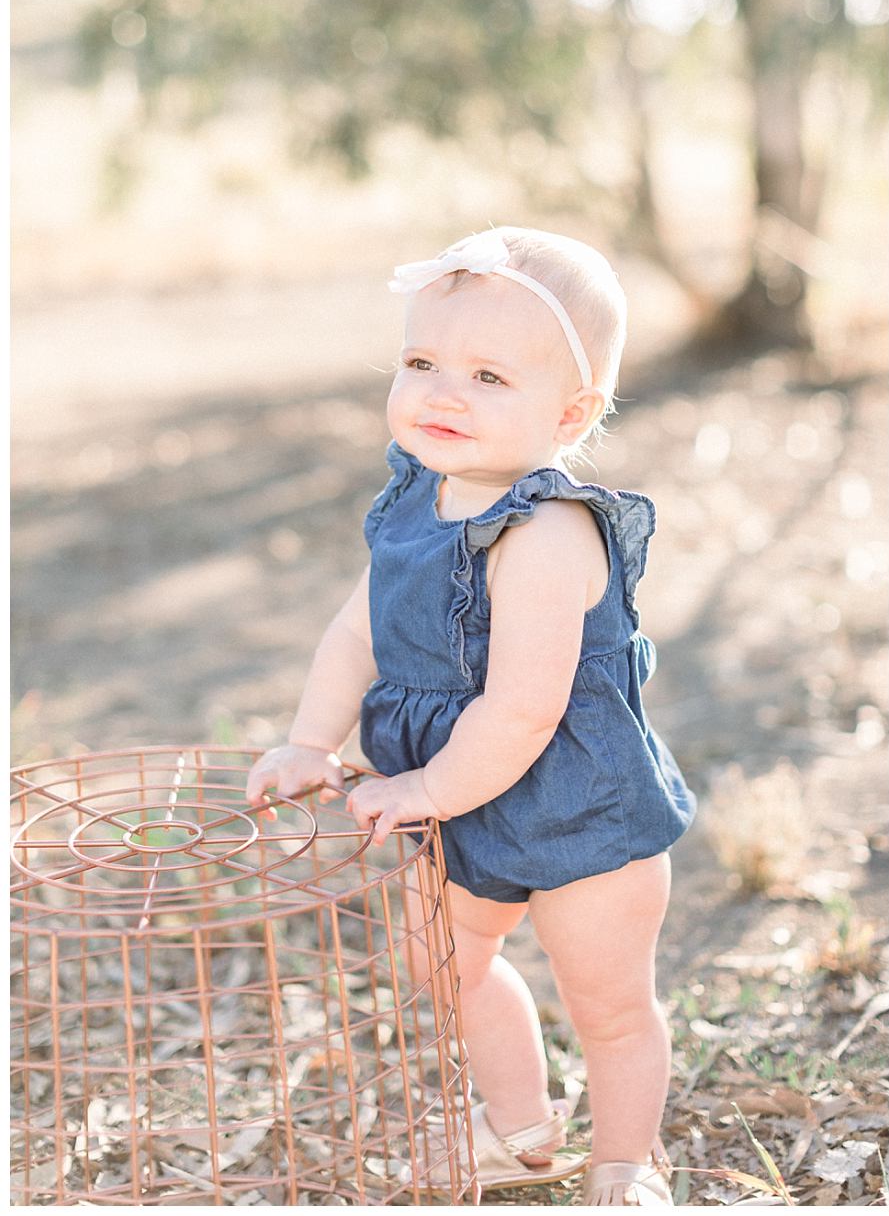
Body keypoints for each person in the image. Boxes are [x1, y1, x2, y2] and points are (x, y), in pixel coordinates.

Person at [246, 226, 697, 1205]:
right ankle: (520, 1120)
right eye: (421, 361)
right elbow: (357, 632)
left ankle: (625, 1162)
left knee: (609, 1001)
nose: (442, 393)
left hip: (581, 805)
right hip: (457, 802)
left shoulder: (548, 532)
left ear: (571, 411)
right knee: (440, 963)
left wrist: (420, 786)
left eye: (490, 375)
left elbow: (526, 709)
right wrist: (308, 740)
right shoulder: (416, 497)